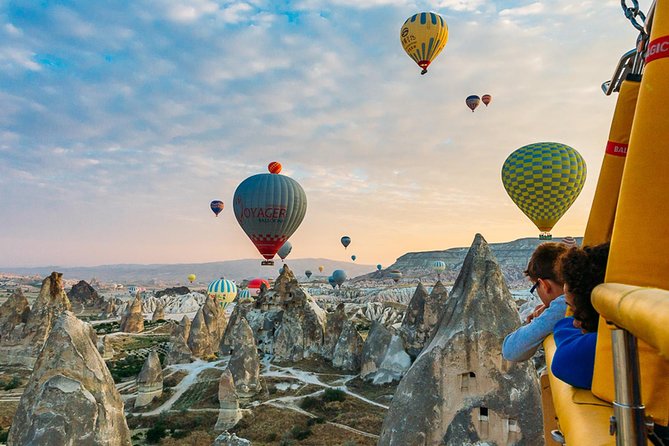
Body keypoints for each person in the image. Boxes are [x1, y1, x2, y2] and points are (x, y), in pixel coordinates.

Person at [550, 243, 610, 389]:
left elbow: (563, 361)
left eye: (578, 312)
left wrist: (564, 327)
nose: (575, 323)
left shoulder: (610, 345)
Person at [502, 242, 569, 362]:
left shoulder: (563, 305)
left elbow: (510, 350)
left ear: (544, 285)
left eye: (535, 287)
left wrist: (543, 317)